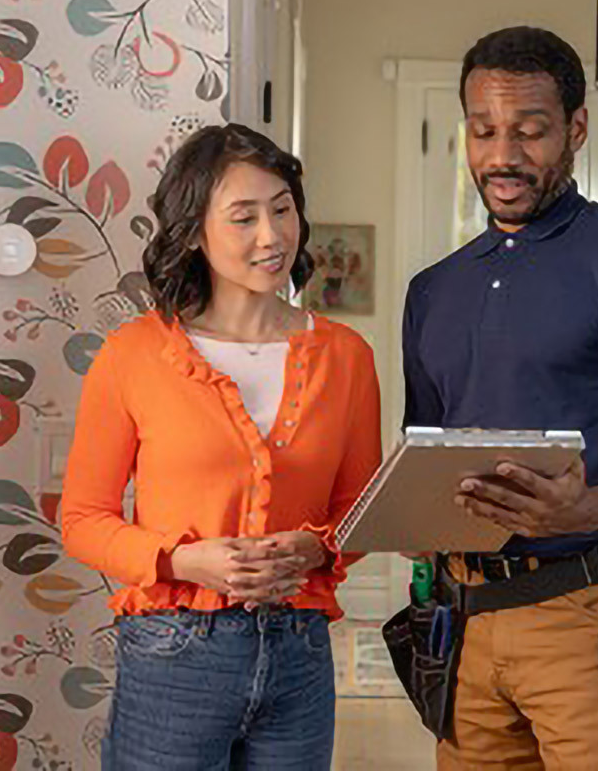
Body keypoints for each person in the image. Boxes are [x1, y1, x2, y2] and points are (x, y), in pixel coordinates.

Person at [401, 27, 598, 770]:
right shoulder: (433, 291)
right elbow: (423, 457)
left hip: (591, 615)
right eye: (484, 130)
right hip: (466, 624)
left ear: (576, 130)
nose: (503, 155)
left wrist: (583, 510)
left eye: (530, 130)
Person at [61, 124, 382, 770]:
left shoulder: (347, 357)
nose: (272, 235)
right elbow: (81, 520)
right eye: (243, 217)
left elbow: (361, 510)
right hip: (173, 655)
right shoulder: (134, 354)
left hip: (301, 652)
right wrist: (184, 563)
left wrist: (315, 545)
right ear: (195, 232)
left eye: (283, 208)